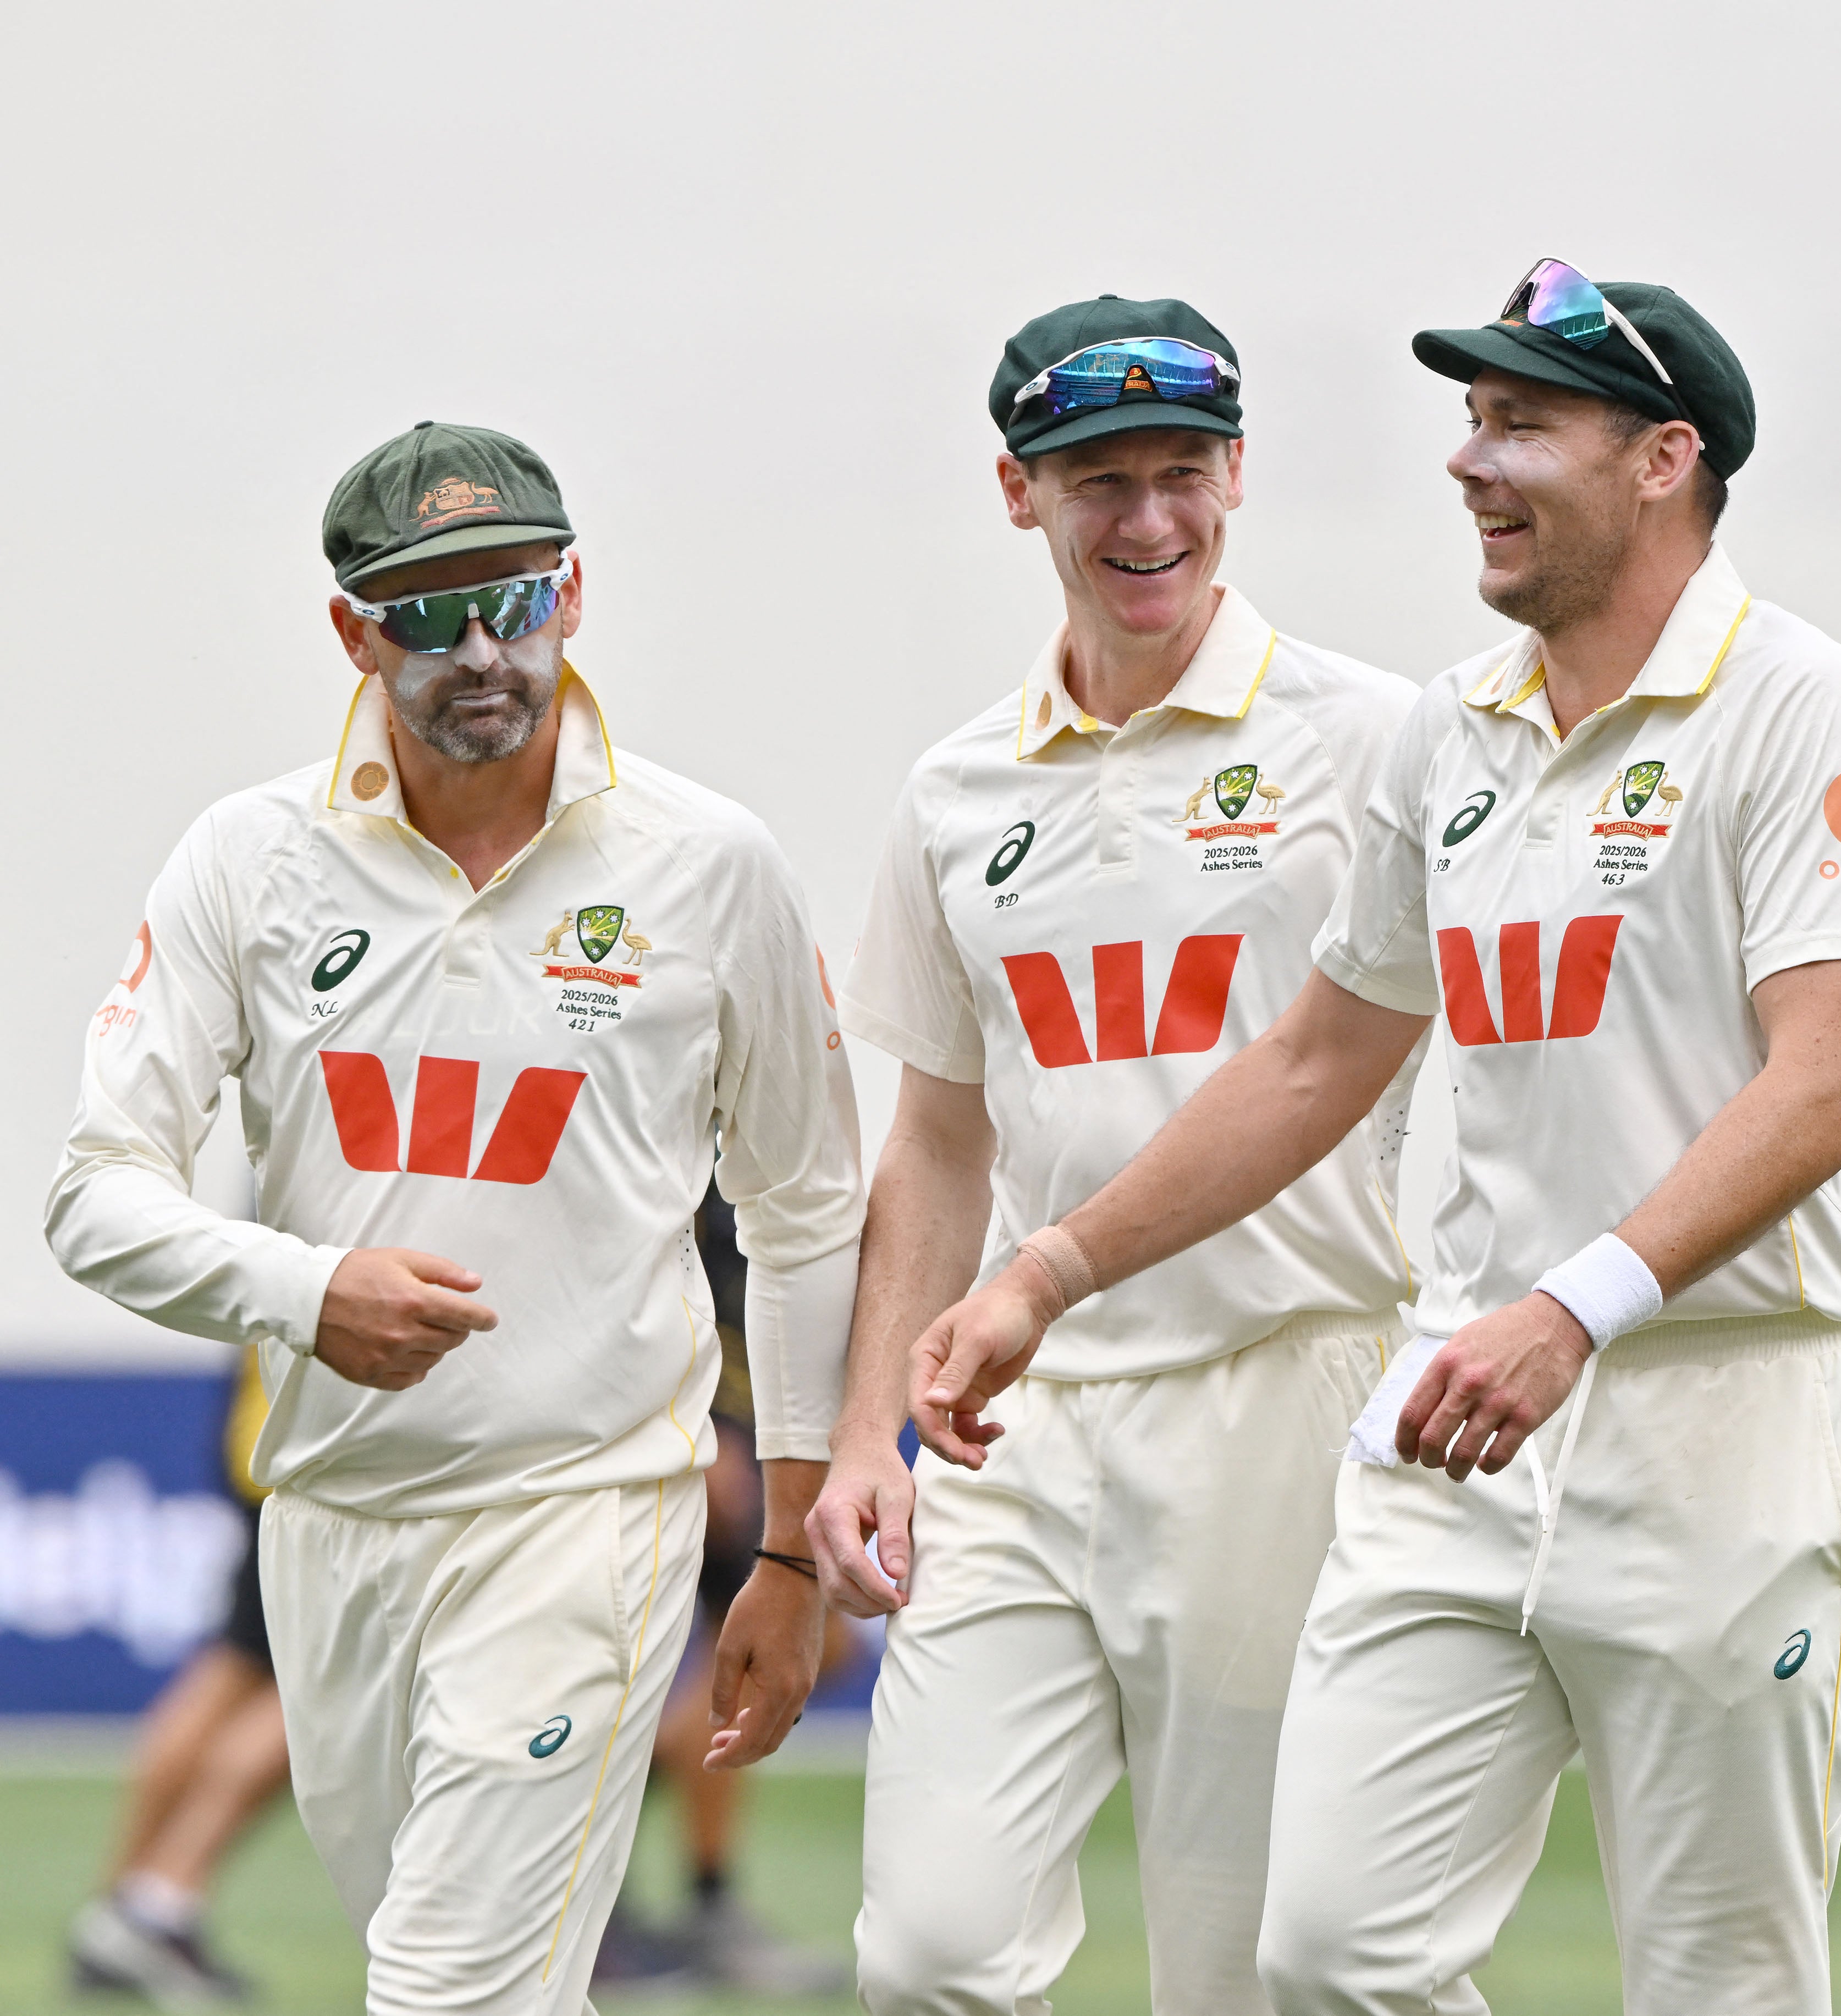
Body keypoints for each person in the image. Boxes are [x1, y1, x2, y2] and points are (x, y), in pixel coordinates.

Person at [887, 262, 1841, 2015]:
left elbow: (1818, 1088)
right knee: (1330, 1955)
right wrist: (1042, 1273)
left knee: (1720, 1981)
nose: (1469, 460)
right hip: (1464, 1424)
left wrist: (1575, 1303)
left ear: (1664, 459)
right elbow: (1314, 1059)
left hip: (1731, 1411)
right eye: (1472, 417)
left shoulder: (1797, 703)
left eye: (1520, 423)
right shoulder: (1458, 728)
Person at [46, 421, 864, 2016]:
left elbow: (810, 1209)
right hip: (334, 1526)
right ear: (353, 629)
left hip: (586, 1512)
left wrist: (790, 1538)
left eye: (516, 598)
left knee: (447, 1990)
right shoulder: (250, 860)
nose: (481, 649)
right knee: (467, 1974)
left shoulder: (709, 866)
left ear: (575, 591)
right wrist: (304, 1286)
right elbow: (93, 1194)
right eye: (427, 613)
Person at [793, 294, 1420, 2014]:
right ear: (1018, 493)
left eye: (1180, 474)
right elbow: (935, 1135)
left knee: (1246, 1972)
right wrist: (869, 1436)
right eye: (1098, 484)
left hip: (1283, 1390)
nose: (1147, 523)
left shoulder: (1375, 741)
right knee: (924, 1950)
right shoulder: (957, 788)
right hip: (1018, 1420)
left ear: (1238, 475)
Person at [594, 1189, 857, 1997]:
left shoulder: (753, 1133)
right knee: (610, 1681)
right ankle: (593, 1907)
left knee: (784, 1658)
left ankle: (693, 1903)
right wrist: (689, 1423)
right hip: (657, 1440)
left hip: (744, 1431)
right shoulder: (654, 1120)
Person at [68, 1352, 290, 2007]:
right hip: (319, 1433)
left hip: (274, 1421)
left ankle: (123, 1910)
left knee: (238, 1666)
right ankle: (156, 1906)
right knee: (307, 1690)